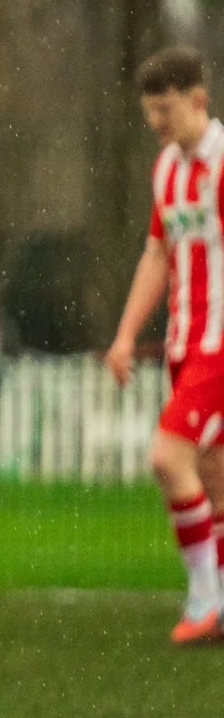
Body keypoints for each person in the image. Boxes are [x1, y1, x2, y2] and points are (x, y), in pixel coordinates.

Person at [100, 47, 224, 645]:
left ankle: (204, 599)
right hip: (184, 342)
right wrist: (126, 334)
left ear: (198, 100)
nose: (155, 122)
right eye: (149, 111)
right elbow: (157, 253)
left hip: (220, 342)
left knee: (167, 457)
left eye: (165, 109)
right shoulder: (166, 169)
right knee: (212, 473)